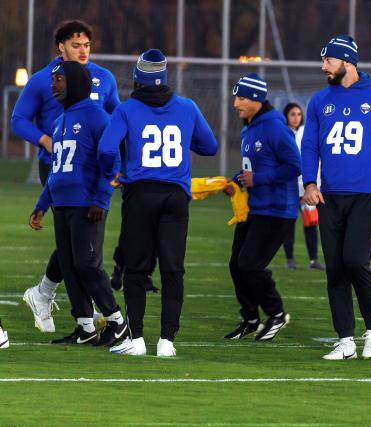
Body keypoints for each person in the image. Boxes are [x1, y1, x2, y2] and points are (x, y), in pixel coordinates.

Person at [302, 35, 371, 360]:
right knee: (335, 268)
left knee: (355, 260)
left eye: (328, 61)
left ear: (347, 63)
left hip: (367, 196)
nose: (323, 66)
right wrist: (310, 182)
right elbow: (309, 145)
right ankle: (345, 340)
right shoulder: (319, 100)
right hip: (330, 197)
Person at [99, 49, 218, 357]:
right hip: (176, 197)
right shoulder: (187, 107)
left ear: (138, 80)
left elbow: (106, 148)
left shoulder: (127, 109)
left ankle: (136, 339)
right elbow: (210, 146)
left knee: (136, 269)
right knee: (173, 269)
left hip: (140, 194)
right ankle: (167, 342)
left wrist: (113, 173)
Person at [12, 20, 119, 333]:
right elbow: (19, 120)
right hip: (59, 166)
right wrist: (45, 140)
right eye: (76, 45)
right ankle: (87, 307)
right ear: (61, 47)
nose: (82, 50)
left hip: (94, 166)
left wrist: (117, 157)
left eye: (86, 44)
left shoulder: (104, 77)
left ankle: (49, 294)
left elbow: (117, 117)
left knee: (79, 240)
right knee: (76, 237)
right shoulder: (42, 80)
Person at [29, 61, 126, 346]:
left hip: (87, 204)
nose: (53, 84)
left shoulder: (98, 117)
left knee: (87, 263)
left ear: (75, 81)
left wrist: (101, 198)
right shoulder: (59, 122)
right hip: (61, 204)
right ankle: (85, 326)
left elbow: (112, 163)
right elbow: (57, 170)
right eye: (52, 79)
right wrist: (41, 204)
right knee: (70, 265)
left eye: (58, 79)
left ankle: (117, 321)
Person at [223, 74, 300, 341]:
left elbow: (294, 165)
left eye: (241, 98)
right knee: (236, 264)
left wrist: (260, 179)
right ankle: (250, 318)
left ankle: (277, 313)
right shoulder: (249, 128)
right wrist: (237, 180)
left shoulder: (275, 128)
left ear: (256, 99)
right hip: (255, 208)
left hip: (277, 210)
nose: (235, 104)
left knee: (250, 264)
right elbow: (253, 167)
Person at [281, 102, 325, 271]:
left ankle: (313, 260)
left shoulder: (308, 132)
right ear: (286, 116)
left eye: (299, 114)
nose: (296, 117)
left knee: (311, 224)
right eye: (292, 114)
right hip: (289, 188)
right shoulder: (282, 133)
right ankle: (290, 259)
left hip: (307, 187)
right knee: (289, 224)